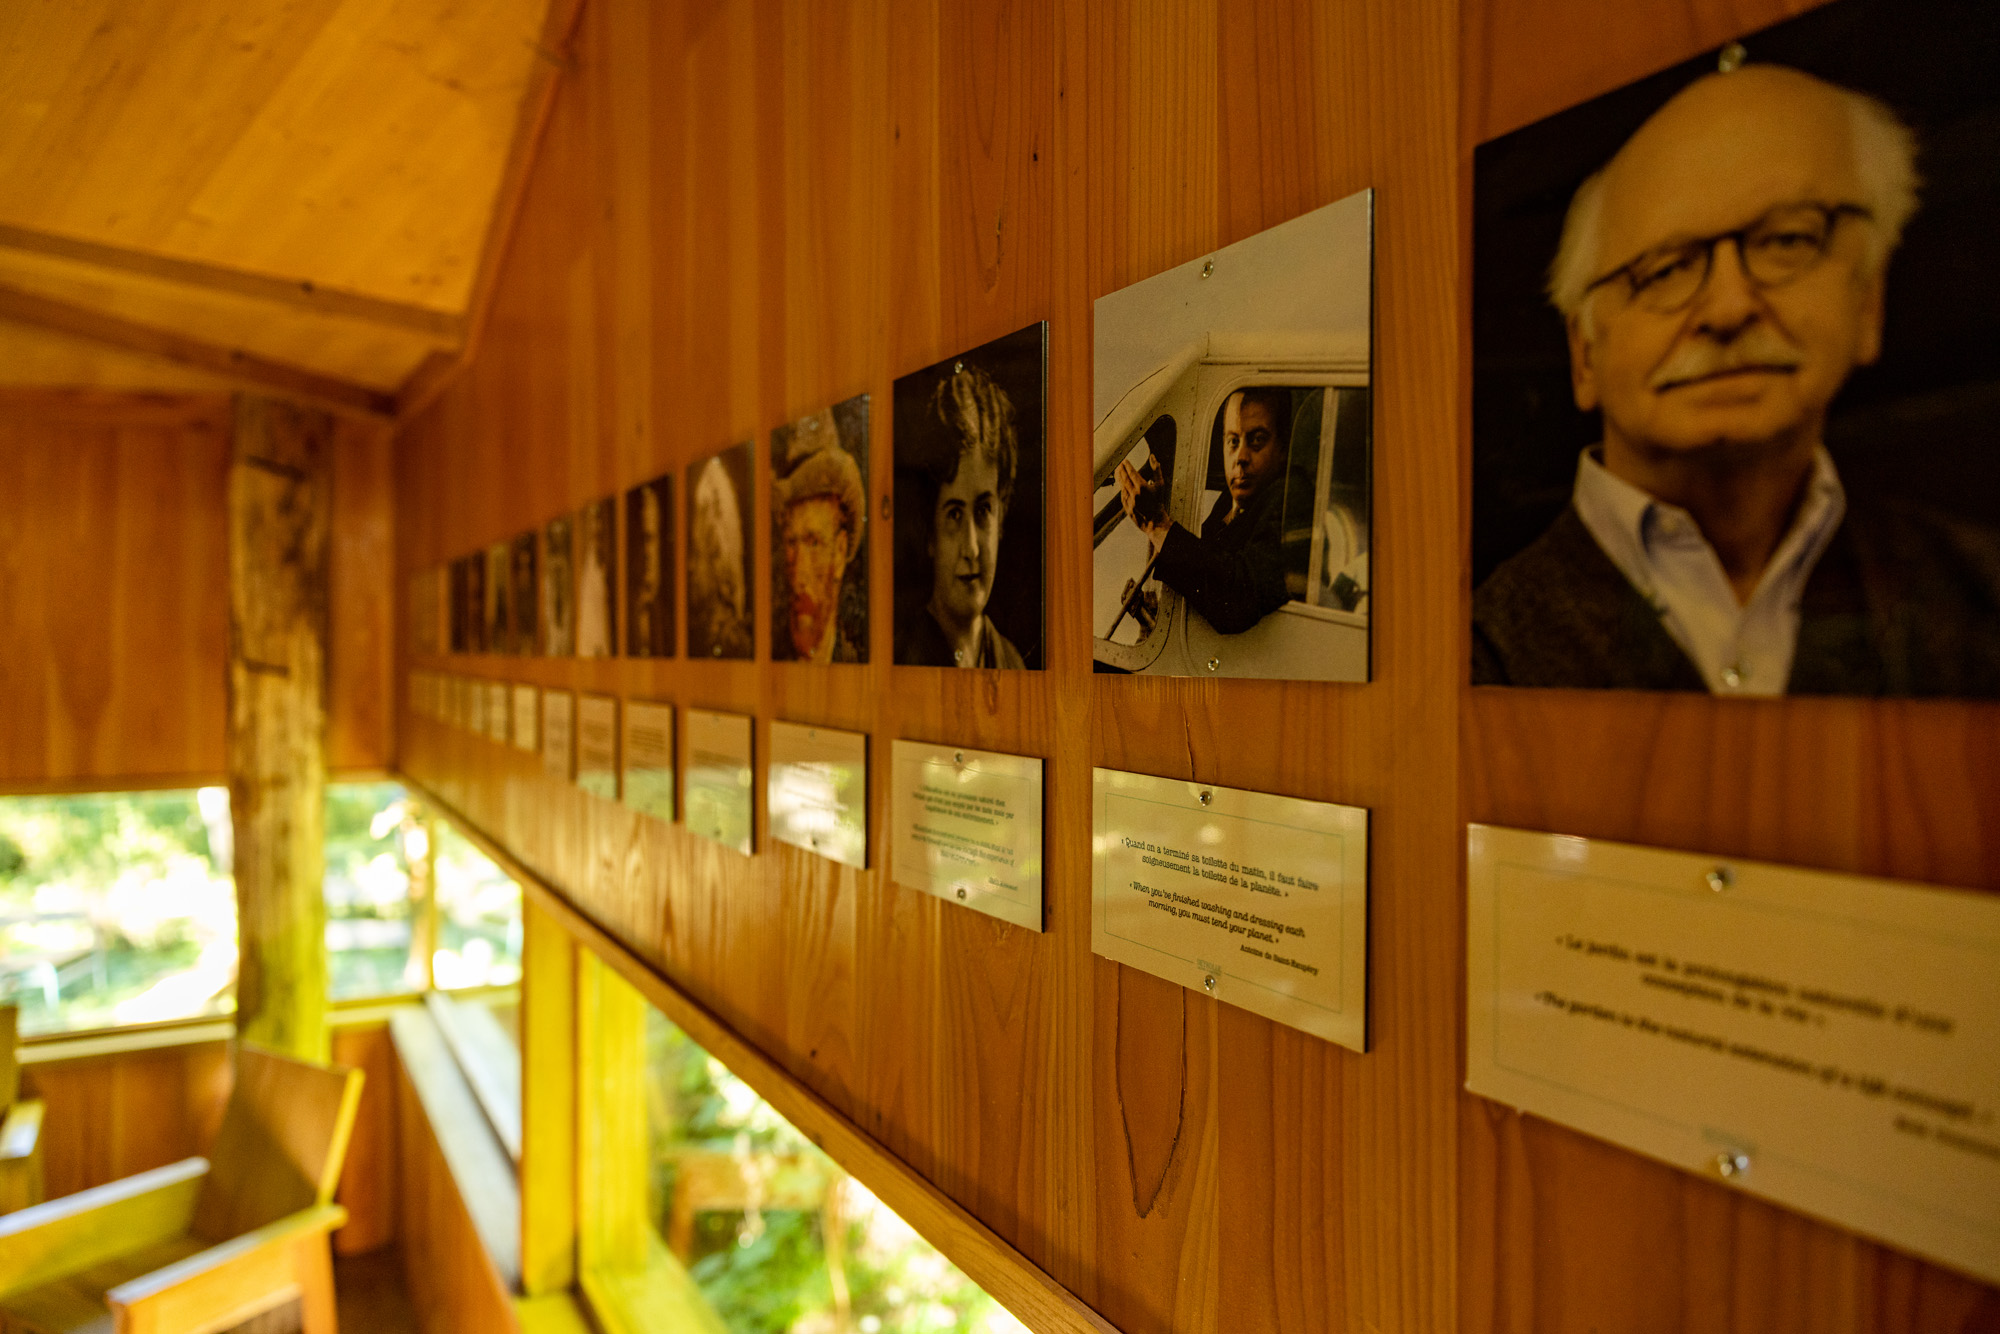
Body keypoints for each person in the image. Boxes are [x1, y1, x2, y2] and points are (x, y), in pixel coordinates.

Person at [1474, 63, 2000, 696]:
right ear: (1583, 354)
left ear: (1868, 302)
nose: (1728, 308)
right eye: (1665, 269)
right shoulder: (1473, 648)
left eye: (1786, 240)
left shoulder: (1980, 600)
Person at [1115, 387, 1292, 634]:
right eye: (1233, 441)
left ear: (1283, 449)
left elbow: (1237, 601)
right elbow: (1207, 572)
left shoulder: (1291, 499)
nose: (1240, 456)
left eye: (1257, 440)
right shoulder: (1231, 501)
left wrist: (1157, 524)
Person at [896, 363, 1027, 668]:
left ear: (1001, 516)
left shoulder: (1012, 662)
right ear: (931, 533)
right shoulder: (905, 657)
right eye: (954, 515)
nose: (972, 549)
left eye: (983, 510)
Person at [773, 413, 866, 662]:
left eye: (814, 543)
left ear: (840, 552)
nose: (798, 576)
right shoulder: (776, 659)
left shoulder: (853, 660)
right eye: (791, 542)